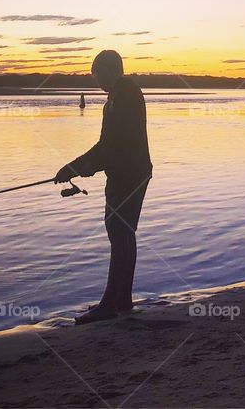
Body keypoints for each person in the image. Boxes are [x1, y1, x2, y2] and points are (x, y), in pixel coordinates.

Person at [54, 50, 152, 324]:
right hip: (128, 172)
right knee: (123, 232)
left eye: (95, 73)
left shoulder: (125, 94)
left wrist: (79, 167)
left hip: (130, 174)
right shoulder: (117, 97)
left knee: (119, 231)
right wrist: (76, 166)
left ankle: (110, 303)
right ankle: (122, 299)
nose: (95, 79)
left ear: (107, 70)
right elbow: (106, 145)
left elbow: (114, 145)